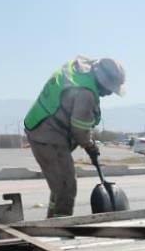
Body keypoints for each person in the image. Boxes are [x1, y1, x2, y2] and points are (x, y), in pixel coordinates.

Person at [23, 56, 126, 217]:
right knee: (67, 186)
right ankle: (60, 229)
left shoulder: (79, 67)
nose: (108, 93)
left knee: (59, 185)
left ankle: (51, 222)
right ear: (102, 81)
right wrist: (91, 146)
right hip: (48, 136)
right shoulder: (86, 94)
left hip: (40, 125)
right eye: (109, 89)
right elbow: (80, 131)